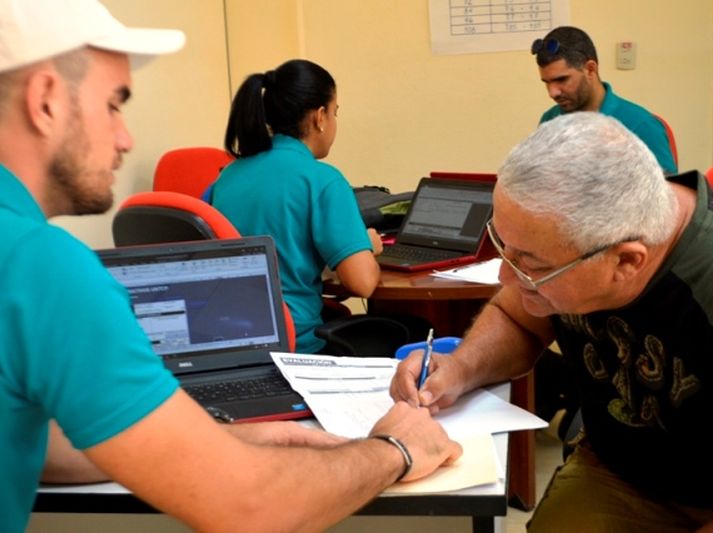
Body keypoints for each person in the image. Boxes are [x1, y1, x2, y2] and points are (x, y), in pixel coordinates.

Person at [0, 1, 462, 531]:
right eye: (113, 105)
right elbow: (251, 505)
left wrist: (226, 437)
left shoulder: (226, 176)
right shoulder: (43, 267)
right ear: (46, 101)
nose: (126, 138)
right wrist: (395, 449)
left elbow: (42, 441)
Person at [391, 112, 713, 531]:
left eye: (530, 265)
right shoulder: (591, 233)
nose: (507, 277)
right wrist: (459, 369)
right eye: (505, 249)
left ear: (626, 261)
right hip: (619, 467)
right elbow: (516, 316)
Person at [208, 59, 383, 354]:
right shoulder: (322, 180)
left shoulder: (228, 176)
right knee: (409, 328)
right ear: (320, 117)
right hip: (298, 347)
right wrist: (366, 246)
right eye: (335, 112)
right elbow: (362, 284)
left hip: (236, 342)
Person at [531, 25, 677, 174]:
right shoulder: (549, 120)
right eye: (547, 82)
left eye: (562, 79)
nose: (552, 92)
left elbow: (668, 194)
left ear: (590, 69)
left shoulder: (641, 125)